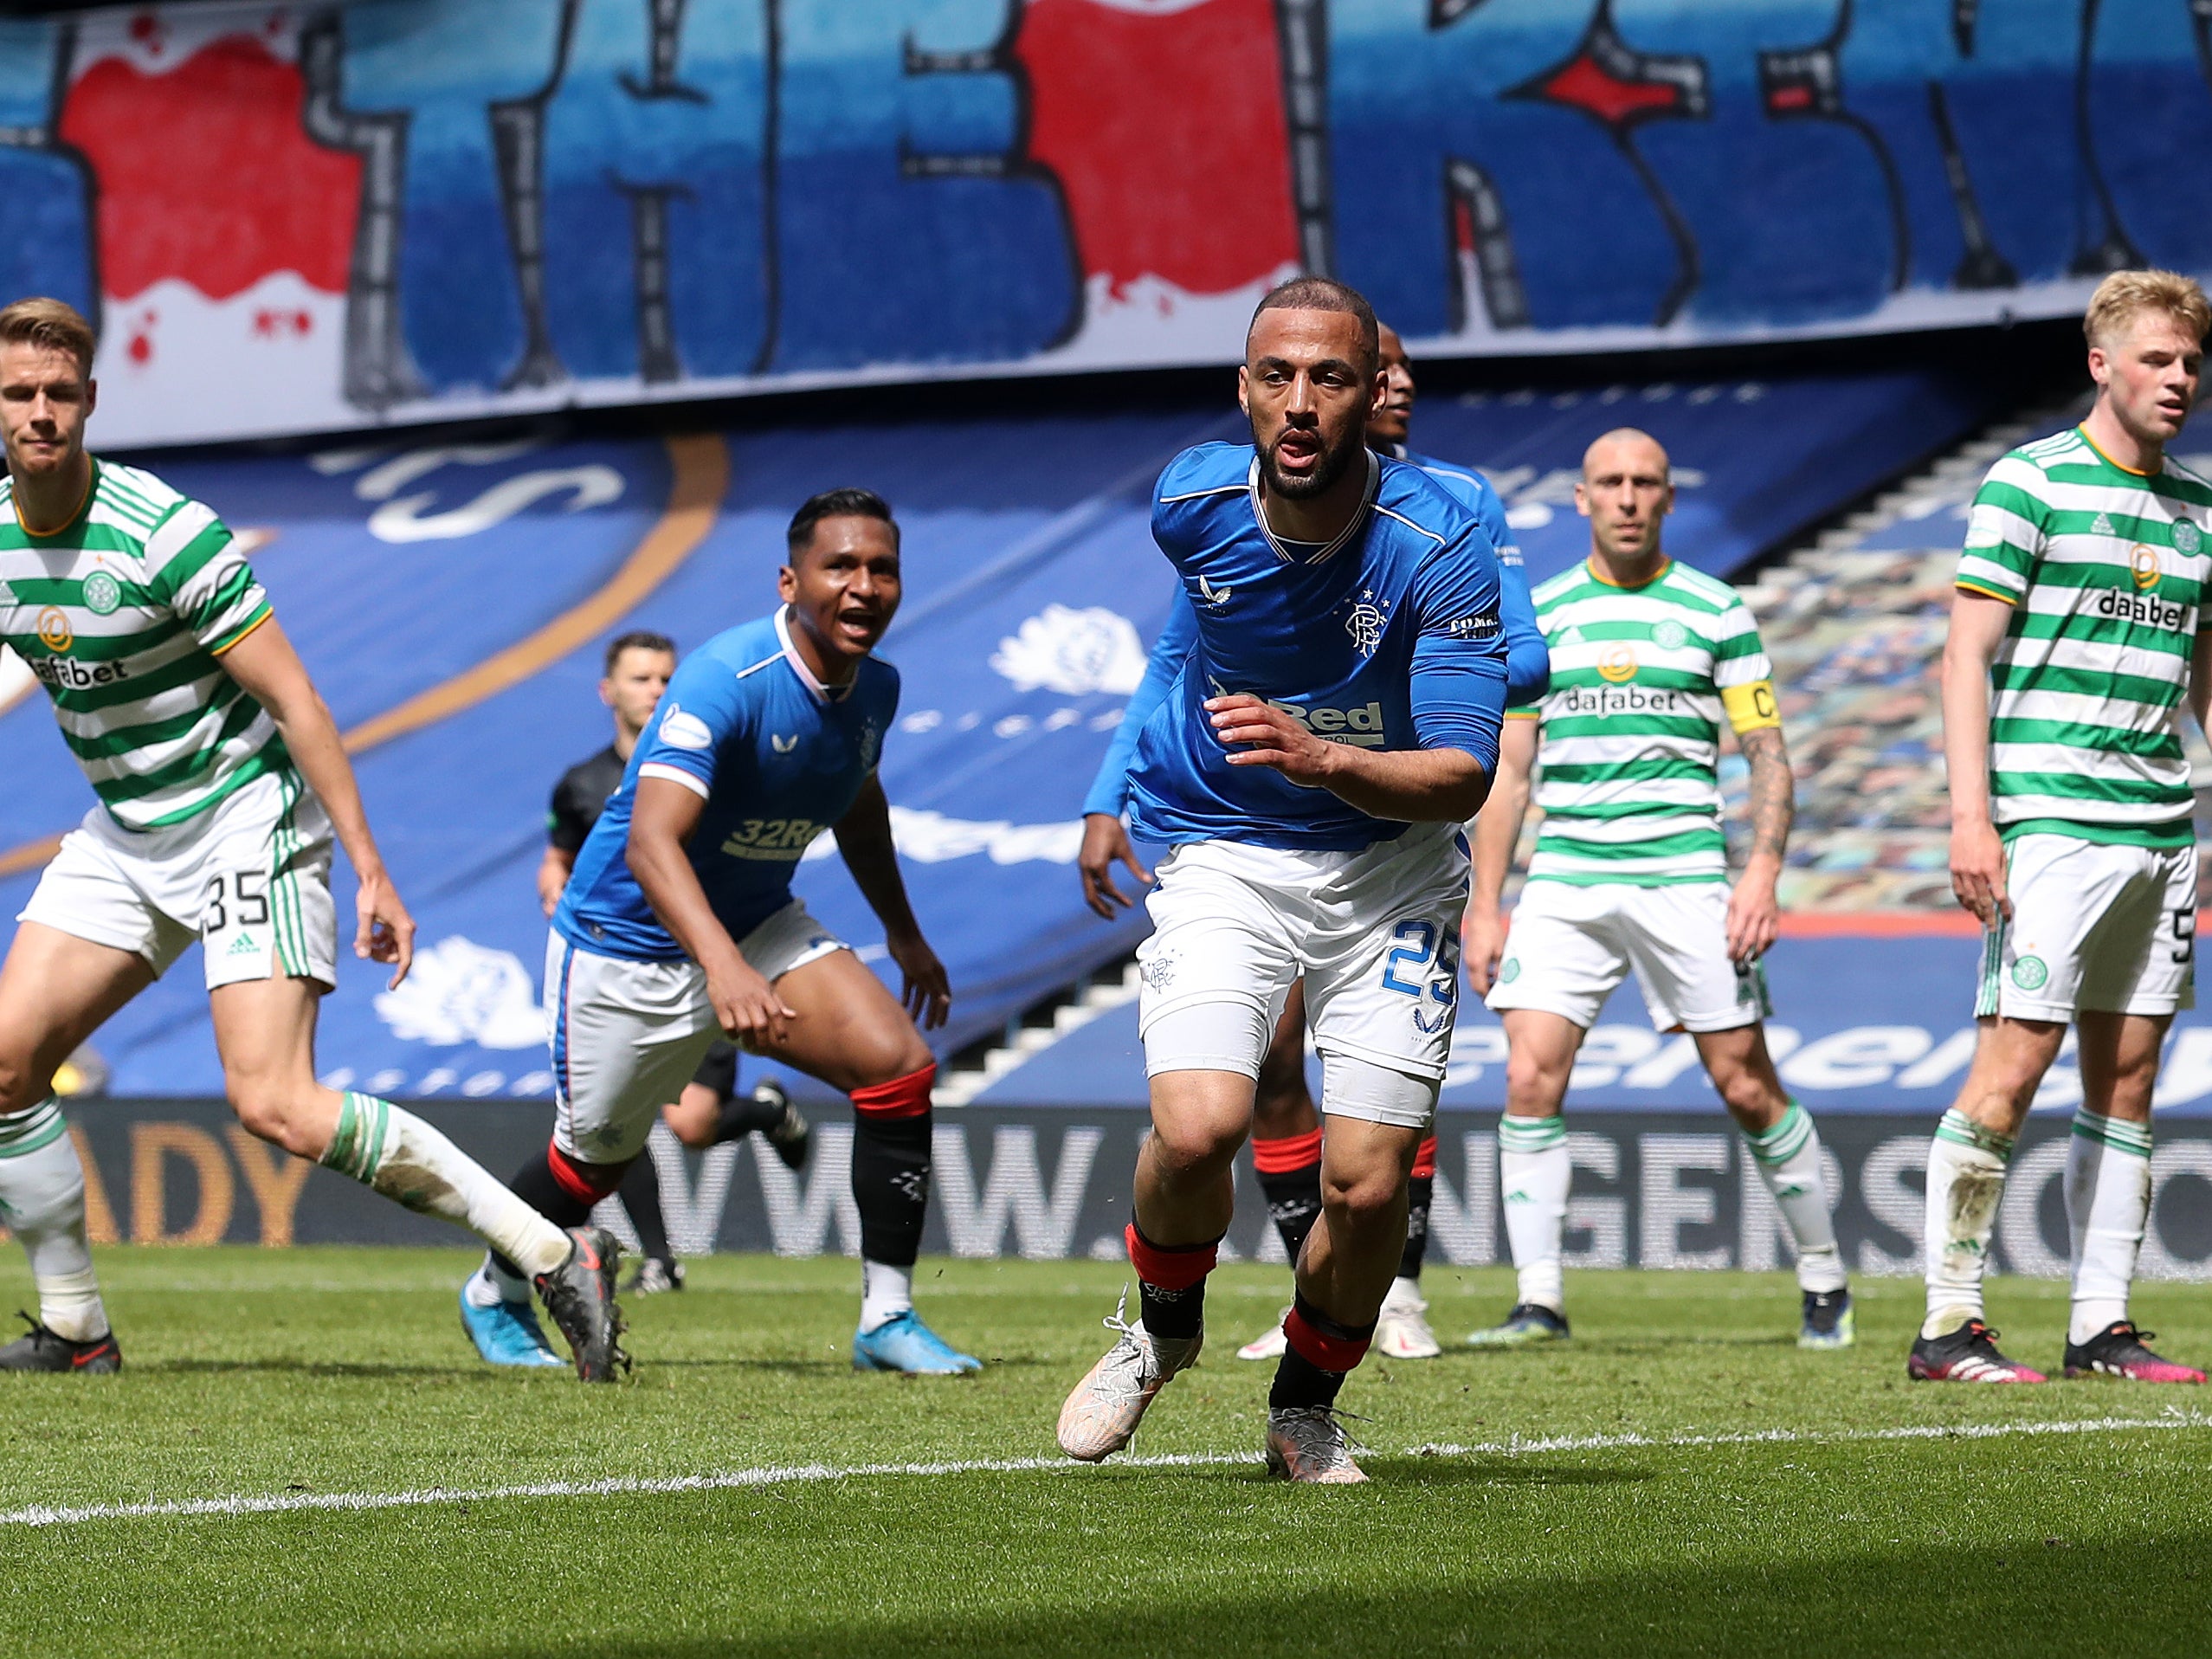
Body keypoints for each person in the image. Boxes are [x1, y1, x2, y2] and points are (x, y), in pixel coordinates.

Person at [0, 296, 622, 1380]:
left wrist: (371, 868)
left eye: (60, 393)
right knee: (5, 1066)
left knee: (275, 1103)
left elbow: (298, 702)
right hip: (127, 830)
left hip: (247, 811)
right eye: (20, 393)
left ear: (91, 401)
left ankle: (550, 1247)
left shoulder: (165, 534)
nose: (41, 412)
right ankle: (77, 1329)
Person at [1056, 277, 1509, 1482]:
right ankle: (1156, 1331)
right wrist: (1114, 789)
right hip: (1224, 848)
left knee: (1366, 1195)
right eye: (1276, 377)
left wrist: (1322, 755)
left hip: (1391, 870)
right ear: (1242, 390)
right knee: (1198, 1123)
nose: (1300, 404)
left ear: (1373, 394)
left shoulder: (1441, 538)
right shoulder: (1188, 502)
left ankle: (1303, 1404)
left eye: (1329, 379)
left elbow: (1464, 774)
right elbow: (1178, 645)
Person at [459, 488, 978, 1374]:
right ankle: (492, 1288)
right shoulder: (724, 677)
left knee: (897, 1066)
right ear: (790, 580)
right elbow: (648, 841)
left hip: (753, 918)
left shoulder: (875, 689)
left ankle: (885, 1316)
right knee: (592, 1163)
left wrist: (903, 932)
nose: (863, 586)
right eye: (839, 566)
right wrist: (721, 968)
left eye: (880, 568)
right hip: (627, 940)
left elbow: (858, 803)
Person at [1462, 428, 1852, 1349]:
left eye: (1644, 483)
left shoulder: (1715, 610)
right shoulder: (1541, 617)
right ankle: (1539, 1299)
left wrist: (1759, 868)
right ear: (1580, 498)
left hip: (1682, 875)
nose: (1628, 498)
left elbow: (1767, 755)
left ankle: (1825, 1276)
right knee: (1527, 1073)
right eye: (1610, 483)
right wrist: (1485, 903)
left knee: (1744, 1082)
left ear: (1668, 498)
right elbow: (1508, 773)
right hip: (1566, 879)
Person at [1913, 269, 2212, 1385]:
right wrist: (1970, 817)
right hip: (2048, 826)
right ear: (2101, 363)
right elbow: (1962, 655)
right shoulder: (2026, 481)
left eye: (2189, 361)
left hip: (2158, 832)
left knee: (2129, 1074)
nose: (2178, 377)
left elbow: (2205, 686)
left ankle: (2101, 1325)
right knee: (2013, 1061)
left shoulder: (2200, 510)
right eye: (2155, 358)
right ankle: (1947, 1320)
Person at [535, 631, 811, 1303]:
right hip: (619, 966)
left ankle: (765, 1113)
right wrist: (554, 888)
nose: (655, 690)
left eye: (665, 677)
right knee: (620, 1122)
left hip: (703, 964)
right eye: (640, 679)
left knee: (689, 1126)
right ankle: (660, 1260)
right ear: (609, 692)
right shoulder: (580, 783)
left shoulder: (708, 771)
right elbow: (559, 857)